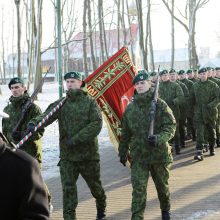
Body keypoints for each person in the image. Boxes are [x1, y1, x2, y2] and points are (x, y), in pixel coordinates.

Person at [26, 71, 107, 220]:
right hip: (68, 157)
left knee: (96, 188)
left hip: (88, 156)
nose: (70, 84)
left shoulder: (90, 102)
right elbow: (46, 115)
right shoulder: (62, 103)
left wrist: (76, 139)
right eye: (67, 82)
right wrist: (34, 123)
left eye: (73, 81)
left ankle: (101, 206)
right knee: (68, 192)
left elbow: (96, 124)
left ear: (80, 83)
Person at [118, 71, 176, 220]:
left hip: (159, 155)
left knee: (162, 188)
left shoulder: (160, 104)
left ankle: (165, 211)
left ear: (150, 84)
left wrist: (159, 138)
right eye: (137, 84)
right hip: (139, 156)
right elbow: (125, 134)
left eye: (142, 83)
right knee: (138, 190)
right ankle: (137, 217)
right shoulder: (130, 109)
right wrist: (122, 152)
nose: (140, 86)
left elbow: (170, 126)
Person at [2, 77, 52, 212]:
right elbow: (4, 131)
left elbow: (40, 130)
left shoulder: (33, 108)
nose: (15, 90)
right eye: (12, 88)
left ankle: (46, 203)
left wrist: (24, 135)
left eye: (17, 87)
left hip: (30, 152)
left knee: (36, 180)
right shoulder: (7, 109)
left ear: (24, 88)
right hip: (13, 152)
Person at [0, 110, 49, 220]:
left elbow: (40, 128)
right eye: (11, 90)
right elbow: (6, 129)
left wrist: (25, 133)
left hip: (26, 153)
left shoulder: (25, 166)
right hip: (13, 147)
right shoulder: (9, 107)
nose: (14, 91)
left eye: (16, 89)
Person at [189, 68, 220, 161]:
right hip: (199, 113)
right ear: (198, 75)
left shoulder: (213, 85)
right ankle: (199, 151)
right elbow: (191, 99)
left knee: (211, 132)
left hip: (210, 113)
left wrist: (211, 105)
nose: (202, 75)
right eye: (201, 74)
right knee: (200, 133)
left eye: (204, 74)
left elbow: (218, 98)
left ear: (207, 74)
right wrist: (193, 110)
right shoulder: (195, 86)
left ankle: (211, 147)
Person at [158, 69, 184, 154]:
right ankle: (168, 148)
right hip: (162, 113)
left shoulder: (175, 85)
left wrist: (173, 101)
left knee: (175, 131)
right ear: (161, 77)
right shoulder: (158, 87)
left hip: (174, 112)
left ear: (168, 76)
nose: (165, 77)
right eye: (163, 76)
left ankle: (177, 147)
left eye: (166, 75)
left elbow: (181, 97)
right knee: (164, 130)